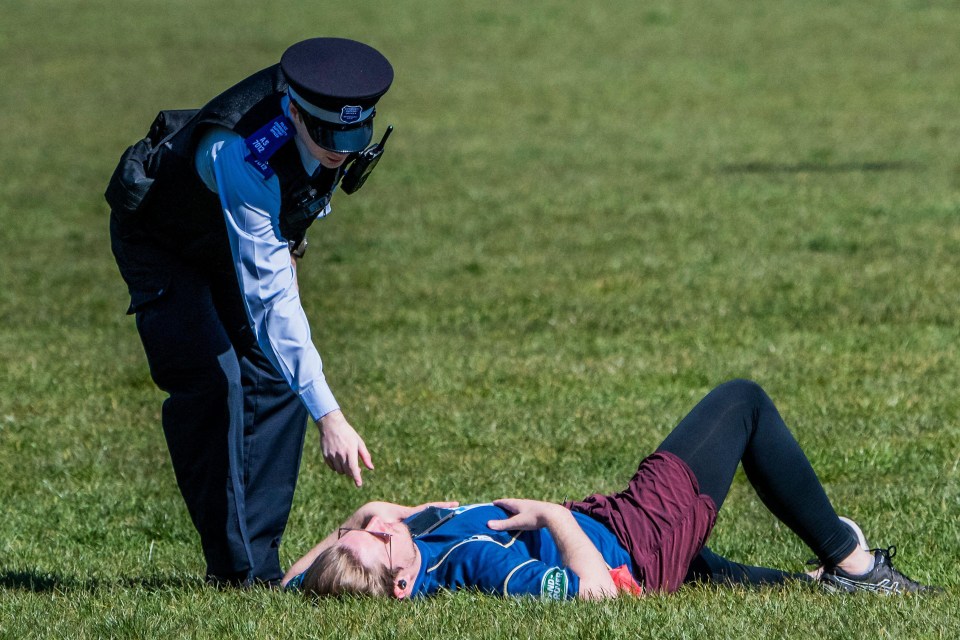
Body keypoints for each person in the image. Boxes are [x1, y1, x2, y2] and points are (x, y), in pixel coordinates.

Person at [106, 38, 395, 586]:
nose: (341, 150)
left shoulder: (326, 128)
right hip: (162, 241)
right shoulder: (244, 152)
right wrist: (330, 416)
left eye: (352, 136)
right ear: (292, 110)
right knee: (215, 384)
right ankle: (237, 572)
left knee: (280, 378)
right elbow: (271, 301)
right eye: (328, 136)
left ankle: (258, 566)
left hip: (233, 236)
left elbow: (288, 225)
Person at [282, 379, 938, 598]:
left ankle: (819, 590)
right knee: (742, 403)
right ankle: (855, 566)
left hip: (618, 527)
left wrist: (295, 576)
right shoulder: (473, 563)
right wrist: (549, 514)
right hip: (633, 539)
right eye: (373, 543)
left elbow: (352, 535)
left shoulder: (413, 542)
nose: (372, 526)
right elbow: (594, 596)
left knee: (716, 573)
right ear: (400, 585)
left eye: (357, 531)